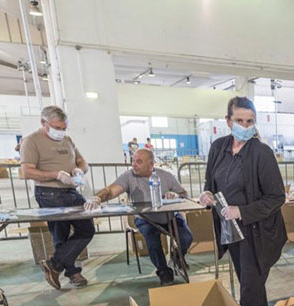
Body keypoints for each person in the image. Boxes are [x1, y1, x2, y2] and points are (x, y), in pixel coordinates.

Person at [199, 96, 286, 306]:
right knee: (248, 283)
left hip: (257, 232)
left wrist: (241, 211)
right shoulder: (218, 148)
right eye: (239, 121)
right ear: (228, 121)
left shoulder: (261, 153)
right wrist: (206, 195)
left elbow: (276, 197)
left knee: (251, 289)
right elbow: (210, 183)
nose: (245, 126)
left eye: (250, 121)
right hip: (230, 230)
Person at [85, 149, 193, 286]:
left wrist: (176, 195)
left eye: (139, 161)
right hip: (145, 218)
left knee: (186, 237)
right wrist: (97, 198)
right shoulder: (128, 176)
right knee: (153, 241)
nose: (134, 165)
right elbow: (111, 190)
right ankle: (163, 271)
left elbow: (184, 193)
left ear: (151, 164)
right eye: (133, 161)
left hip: (169, 216)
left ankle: (177, 256)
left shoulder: (166, 175)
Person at [20, 105, 95, 290]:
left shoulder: (68, 140)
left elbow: (81, 161)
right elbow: (27, 171)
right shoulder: (31, 141)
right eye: (57, 128)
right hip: (49, 192)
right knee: (60, 233)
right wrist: (56, 175)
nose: (60, 132)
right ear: (43, 123)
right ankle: (73, 272)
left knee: (87, 229)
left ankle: (54, 265)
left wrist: (79, 170)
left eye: (63, 128)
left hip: (71, 191)